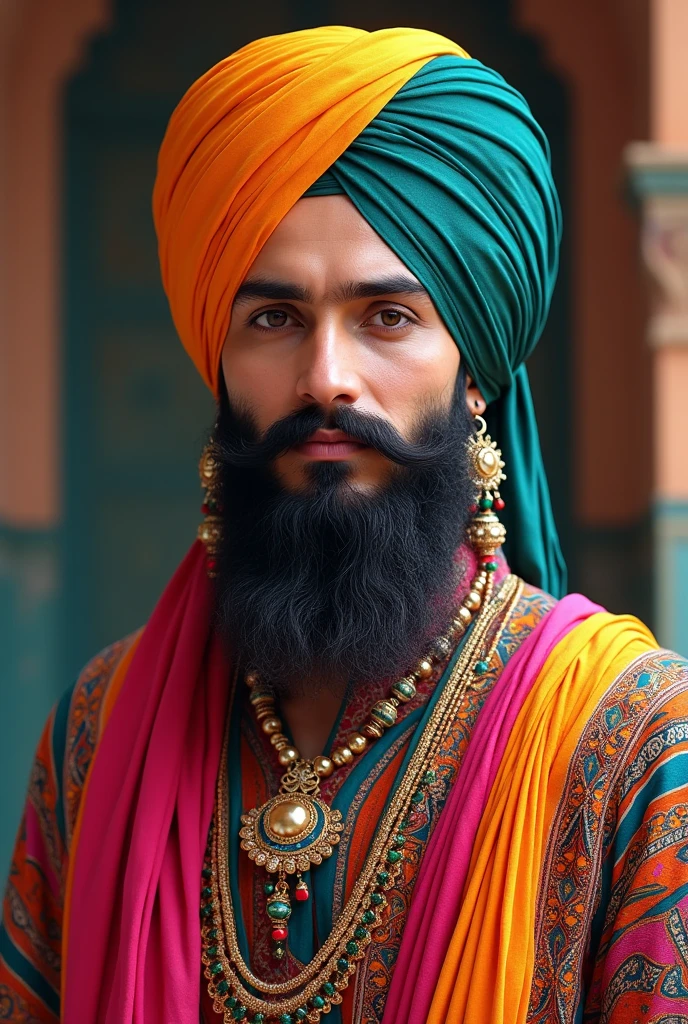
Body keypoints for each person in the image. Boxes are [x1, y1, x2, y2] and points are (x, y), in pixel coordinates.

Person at [2, 24, 688, 1024]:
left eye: (387, 317)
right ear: (220, 361)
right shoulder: (96, 734)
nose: (326, 377)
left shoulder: (632, 744)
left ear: (475, 375)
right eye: (273, 319)